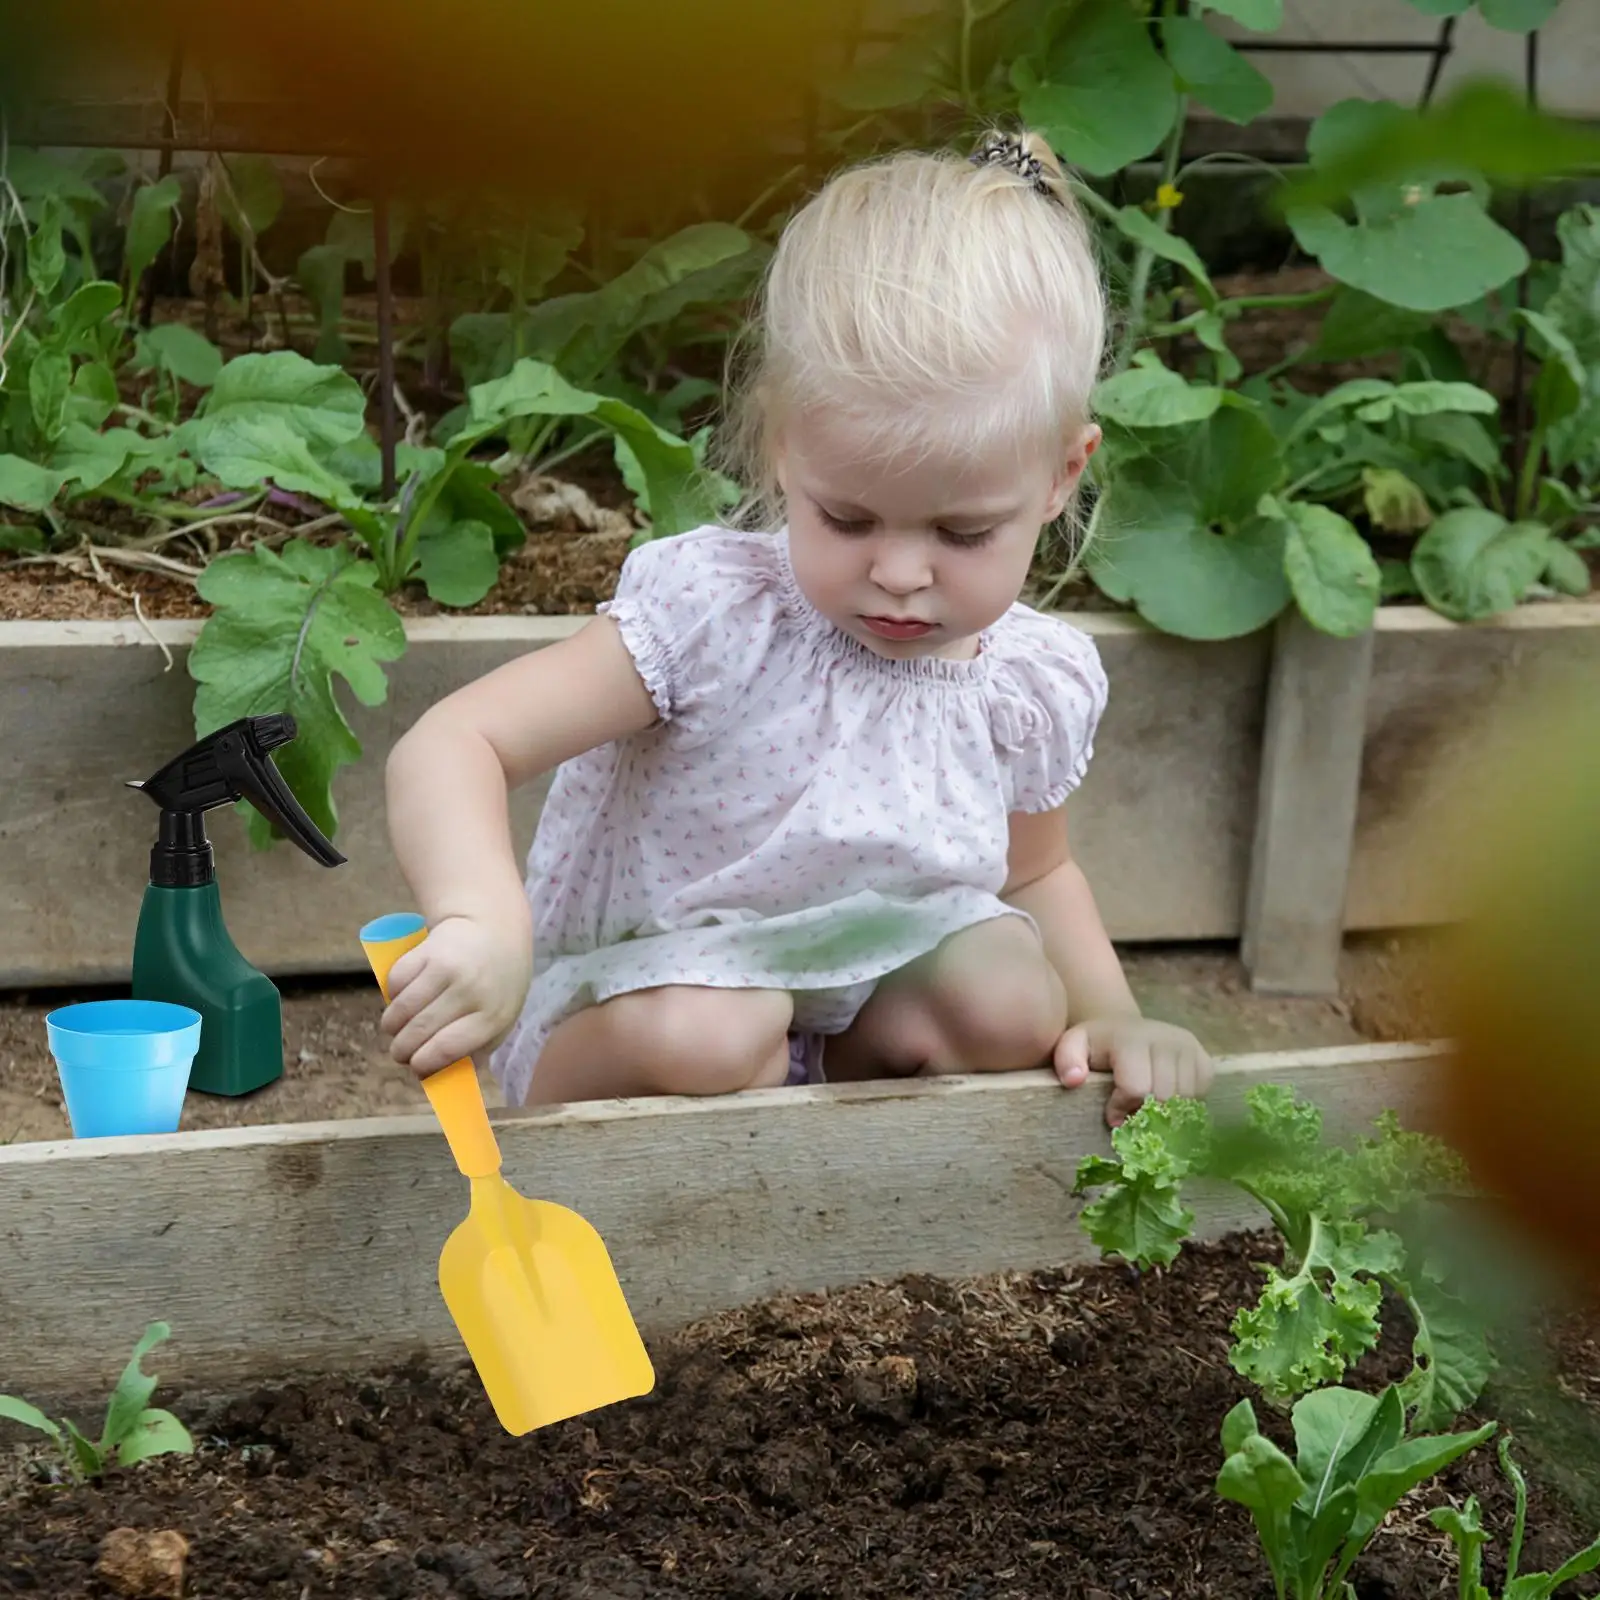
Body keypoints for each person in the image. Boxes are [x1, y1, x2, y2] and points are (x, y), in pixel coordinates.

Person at [378, 127, 1215, 1128]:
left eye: (961, 531)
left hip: (848, 995)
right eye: (848, 518)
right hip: (646, 1000)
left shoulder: (1026, 679)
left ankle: (826, 1176)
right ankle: (594, 1143)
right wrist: (482, 923)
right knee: (721, 1031)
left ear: (1059, 478)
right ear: (784, 446)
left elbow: (1036, 868)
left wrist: (1114, 1013)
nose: (899, 574)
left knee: (1010, 996)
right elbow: (456, 740)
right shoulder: (721, 617)